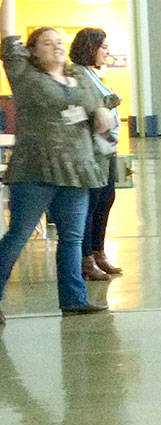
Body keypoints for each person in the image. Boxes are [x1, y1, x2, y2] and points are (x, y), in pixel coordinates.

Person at [0, 2, 116, 322]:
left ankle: (74, 299)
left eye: (59, 42)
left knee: (73, 238)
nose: (56, 47)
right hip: (35, 169)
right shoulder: (24, 74)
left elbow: (98, 108)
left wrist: (102, 114)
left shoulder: (78, 75)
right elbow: (7, 35)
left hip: (77, 170)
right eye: (47, 43)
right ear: (33, 52)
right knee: (18, 236)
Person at [69, 27, 122, 281]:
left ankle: (99, 252)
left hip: (106, 149)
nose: (107, 52)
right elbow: (86, 108)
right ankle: (86, 258)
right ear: (90, 49)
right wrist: (109, 103)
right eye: (103, 47)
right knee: (91, 204)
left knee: (106, 199)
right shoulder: (77, 74)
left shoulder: (92, 74)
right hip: (92, 151)